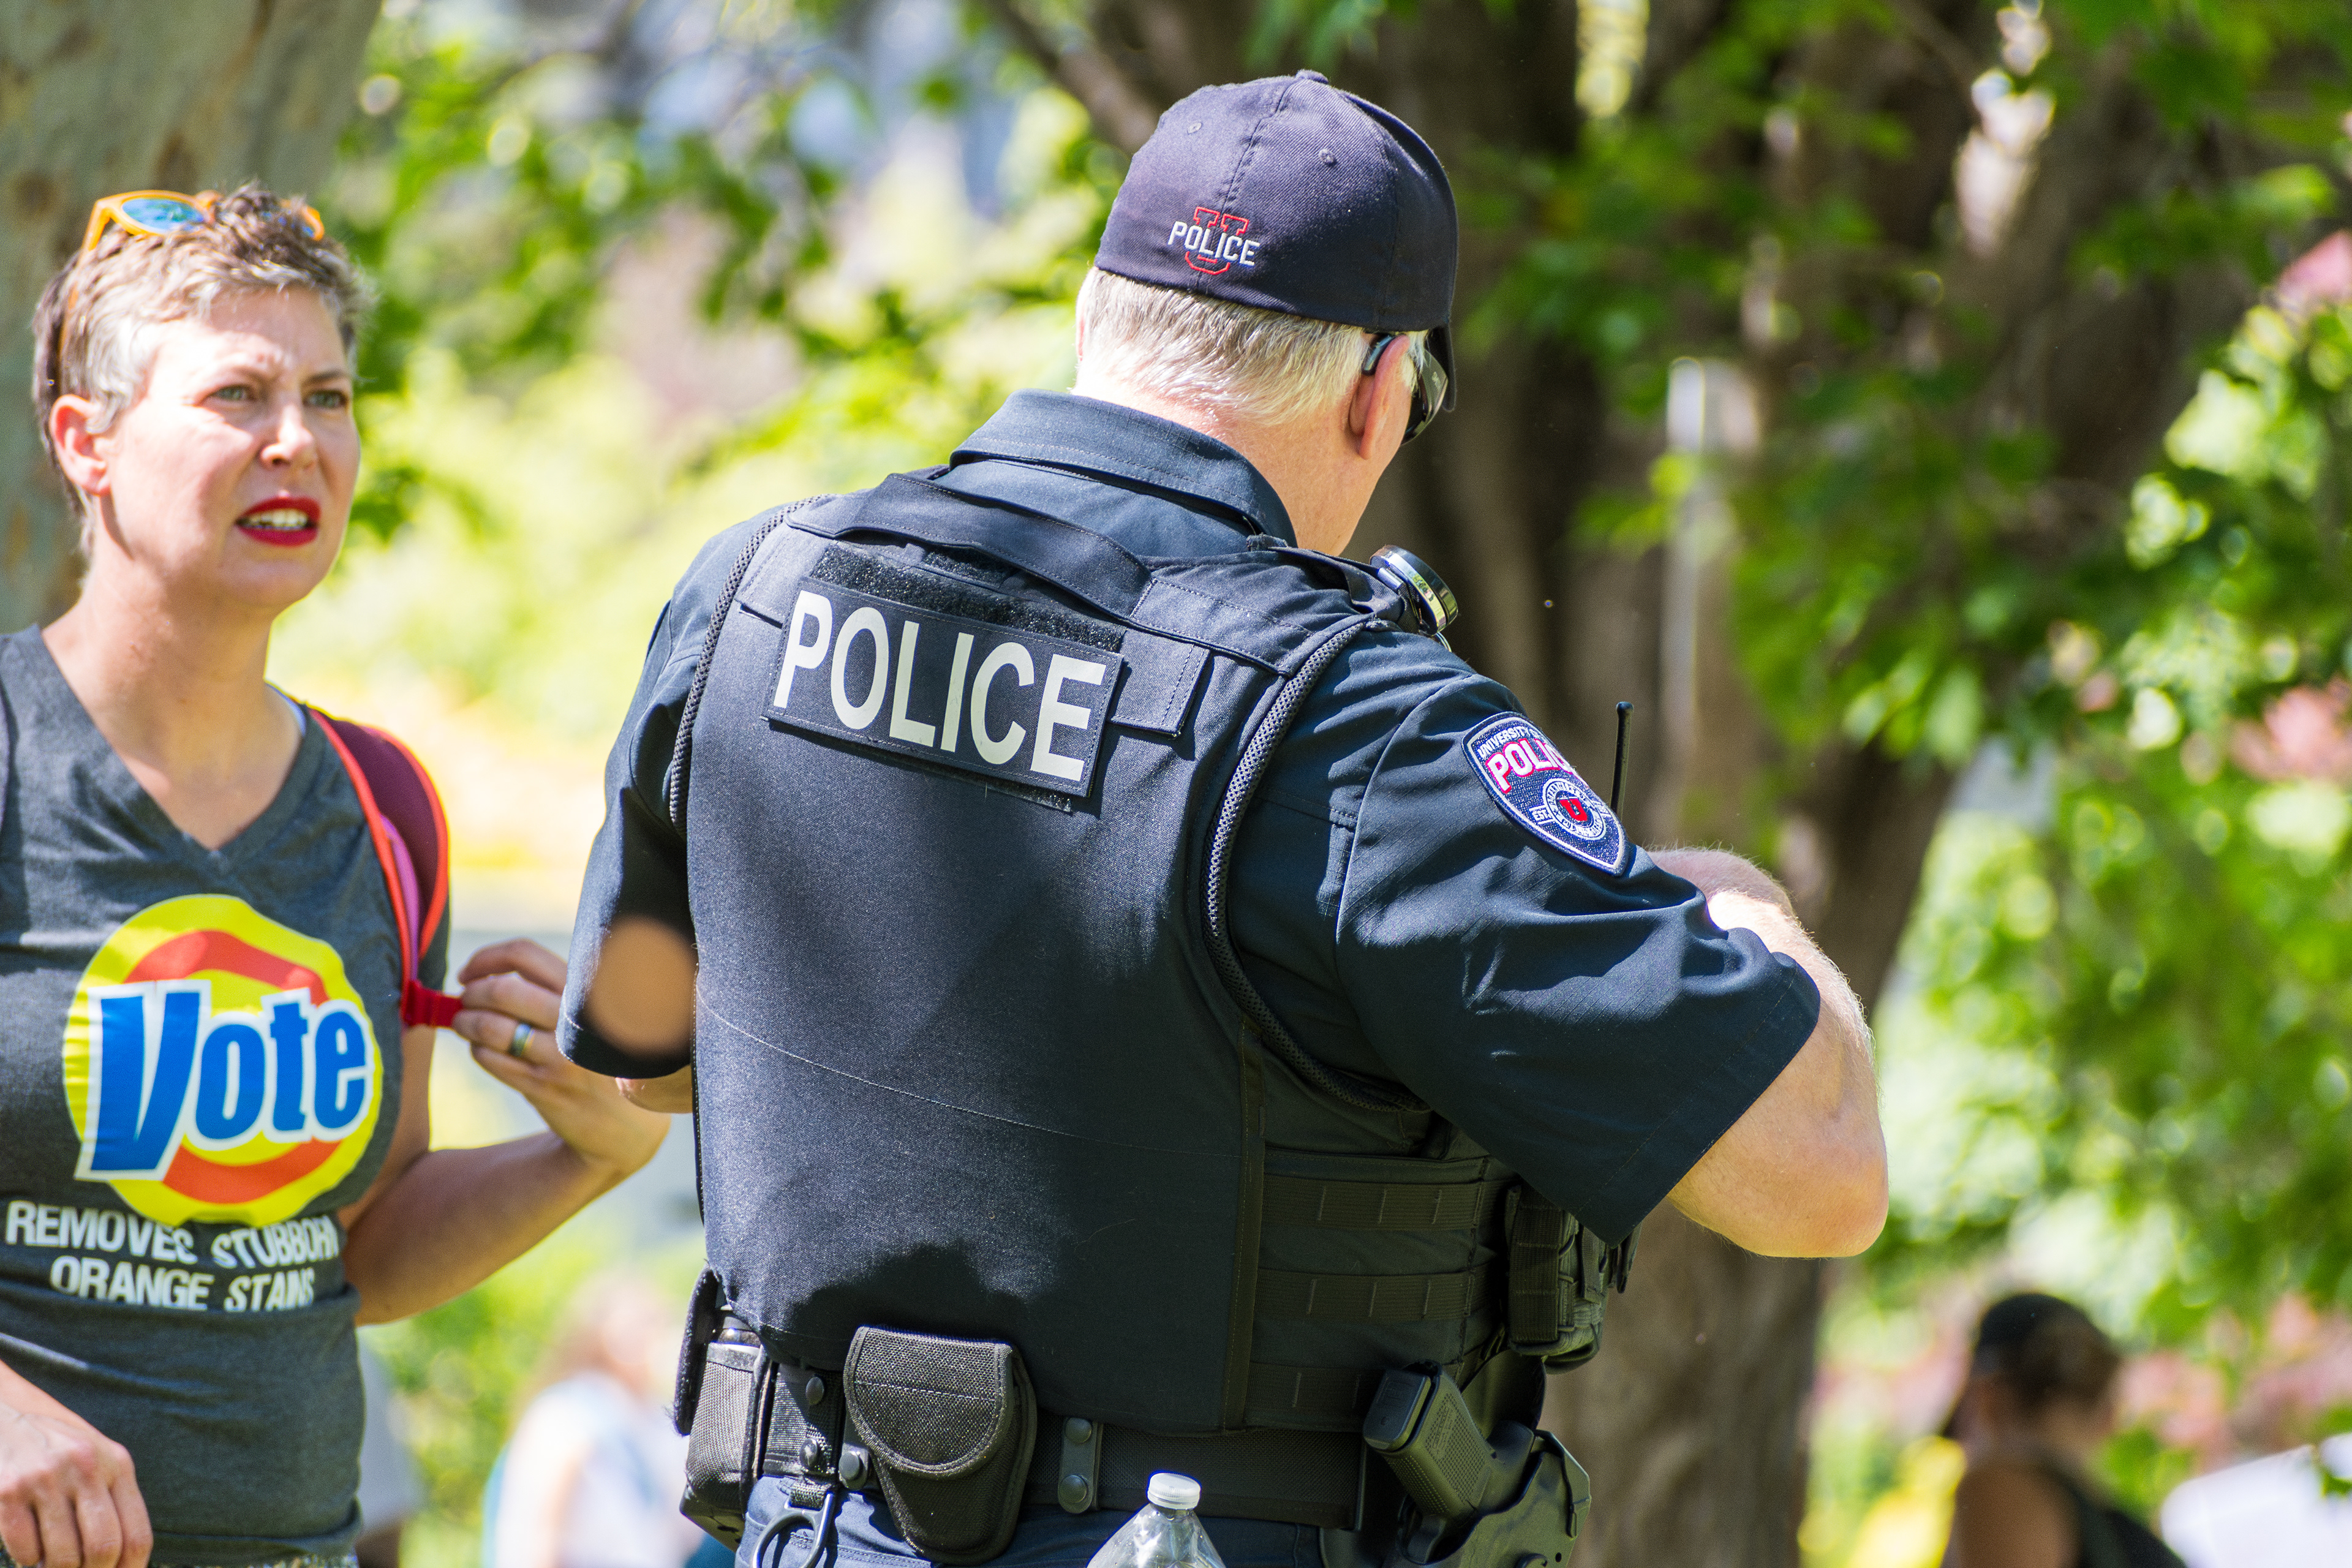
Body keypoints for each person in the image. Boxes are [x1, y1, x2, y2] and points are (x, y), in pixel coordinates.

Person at [557, 70, 1887, 1568]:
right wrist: (1726, 900)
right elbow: (1819, 1173)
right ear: (1379, 389)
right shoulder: (1361, 731)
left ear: (1088, 310)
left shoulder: (750, 595)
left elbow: (652, 1060)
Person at [1, 186, 668, 1568]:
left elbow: (353, 1250)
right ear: (88, 442)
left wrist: (591, 1151)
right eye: (236, 394)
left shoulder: (385, 806)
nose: (297, 440)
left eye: (330, 394)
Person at [1943, 1294, 2186, 1568]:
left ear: (1987, 1399)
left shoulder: (2000, 1493)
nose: (1965, 1448)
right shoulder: (2127, 1537)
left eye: (1960, 1428)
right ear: (2109, 1414)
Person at [484, 1276, 705, 1568]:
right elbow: (543, 1530)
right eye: (634, 1326)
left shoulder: (655, 1417)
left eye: (653, 1323)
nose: (646, 1337)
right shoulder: (570, 1408)